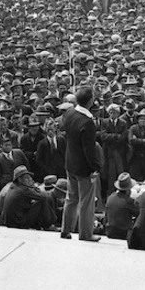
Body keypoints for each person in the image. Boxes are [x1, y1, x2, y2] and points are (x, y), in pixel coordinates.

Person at [60, 86, 102, 242]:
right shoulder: (88, 122)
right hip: (84, 168)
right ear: (90, 101)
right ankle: (86, 234)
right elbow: (89, 150)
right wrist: (95, 167)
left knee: (71, 198)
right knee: (86, 202)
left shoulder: (70, 113)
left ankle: (65, 229)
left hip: (70, 163)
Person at [0, 165, 56, 229]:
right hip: (18, 223)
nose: (30, 179)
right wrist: (34, 187)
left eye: (30, 178)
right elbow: (44, 196)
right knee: (41, 202)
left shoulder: (12, 186)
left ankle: (45, 224)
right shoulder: (23, 190)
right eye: (27, 178)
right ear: (19, 179)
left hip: (9, 221)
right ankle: (49, 224)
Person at [104, 172, 139, 240]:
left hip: (109, 232)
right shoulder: (129, 201)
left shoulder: (110, 197)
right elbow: (139, 213)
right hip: (123, 234)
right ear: (128, 189)